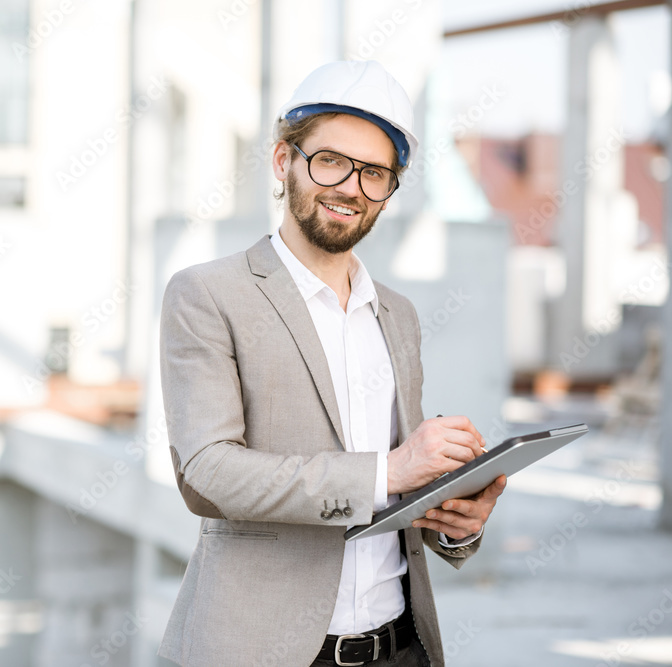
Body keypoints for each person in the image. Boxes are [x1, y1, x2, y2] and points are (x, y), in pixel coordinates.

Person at [157, 60, 507, 667]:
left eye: (375, 173)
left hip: (401, 645)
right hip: (262, 650)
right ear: (283, 161)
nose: (351, 187)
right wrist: (389, 472)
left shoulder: (397, 314)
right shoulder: (207, 294)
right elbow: (208, 472)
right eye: (330, 161)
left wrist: (456, 519)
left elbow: (401, 493)